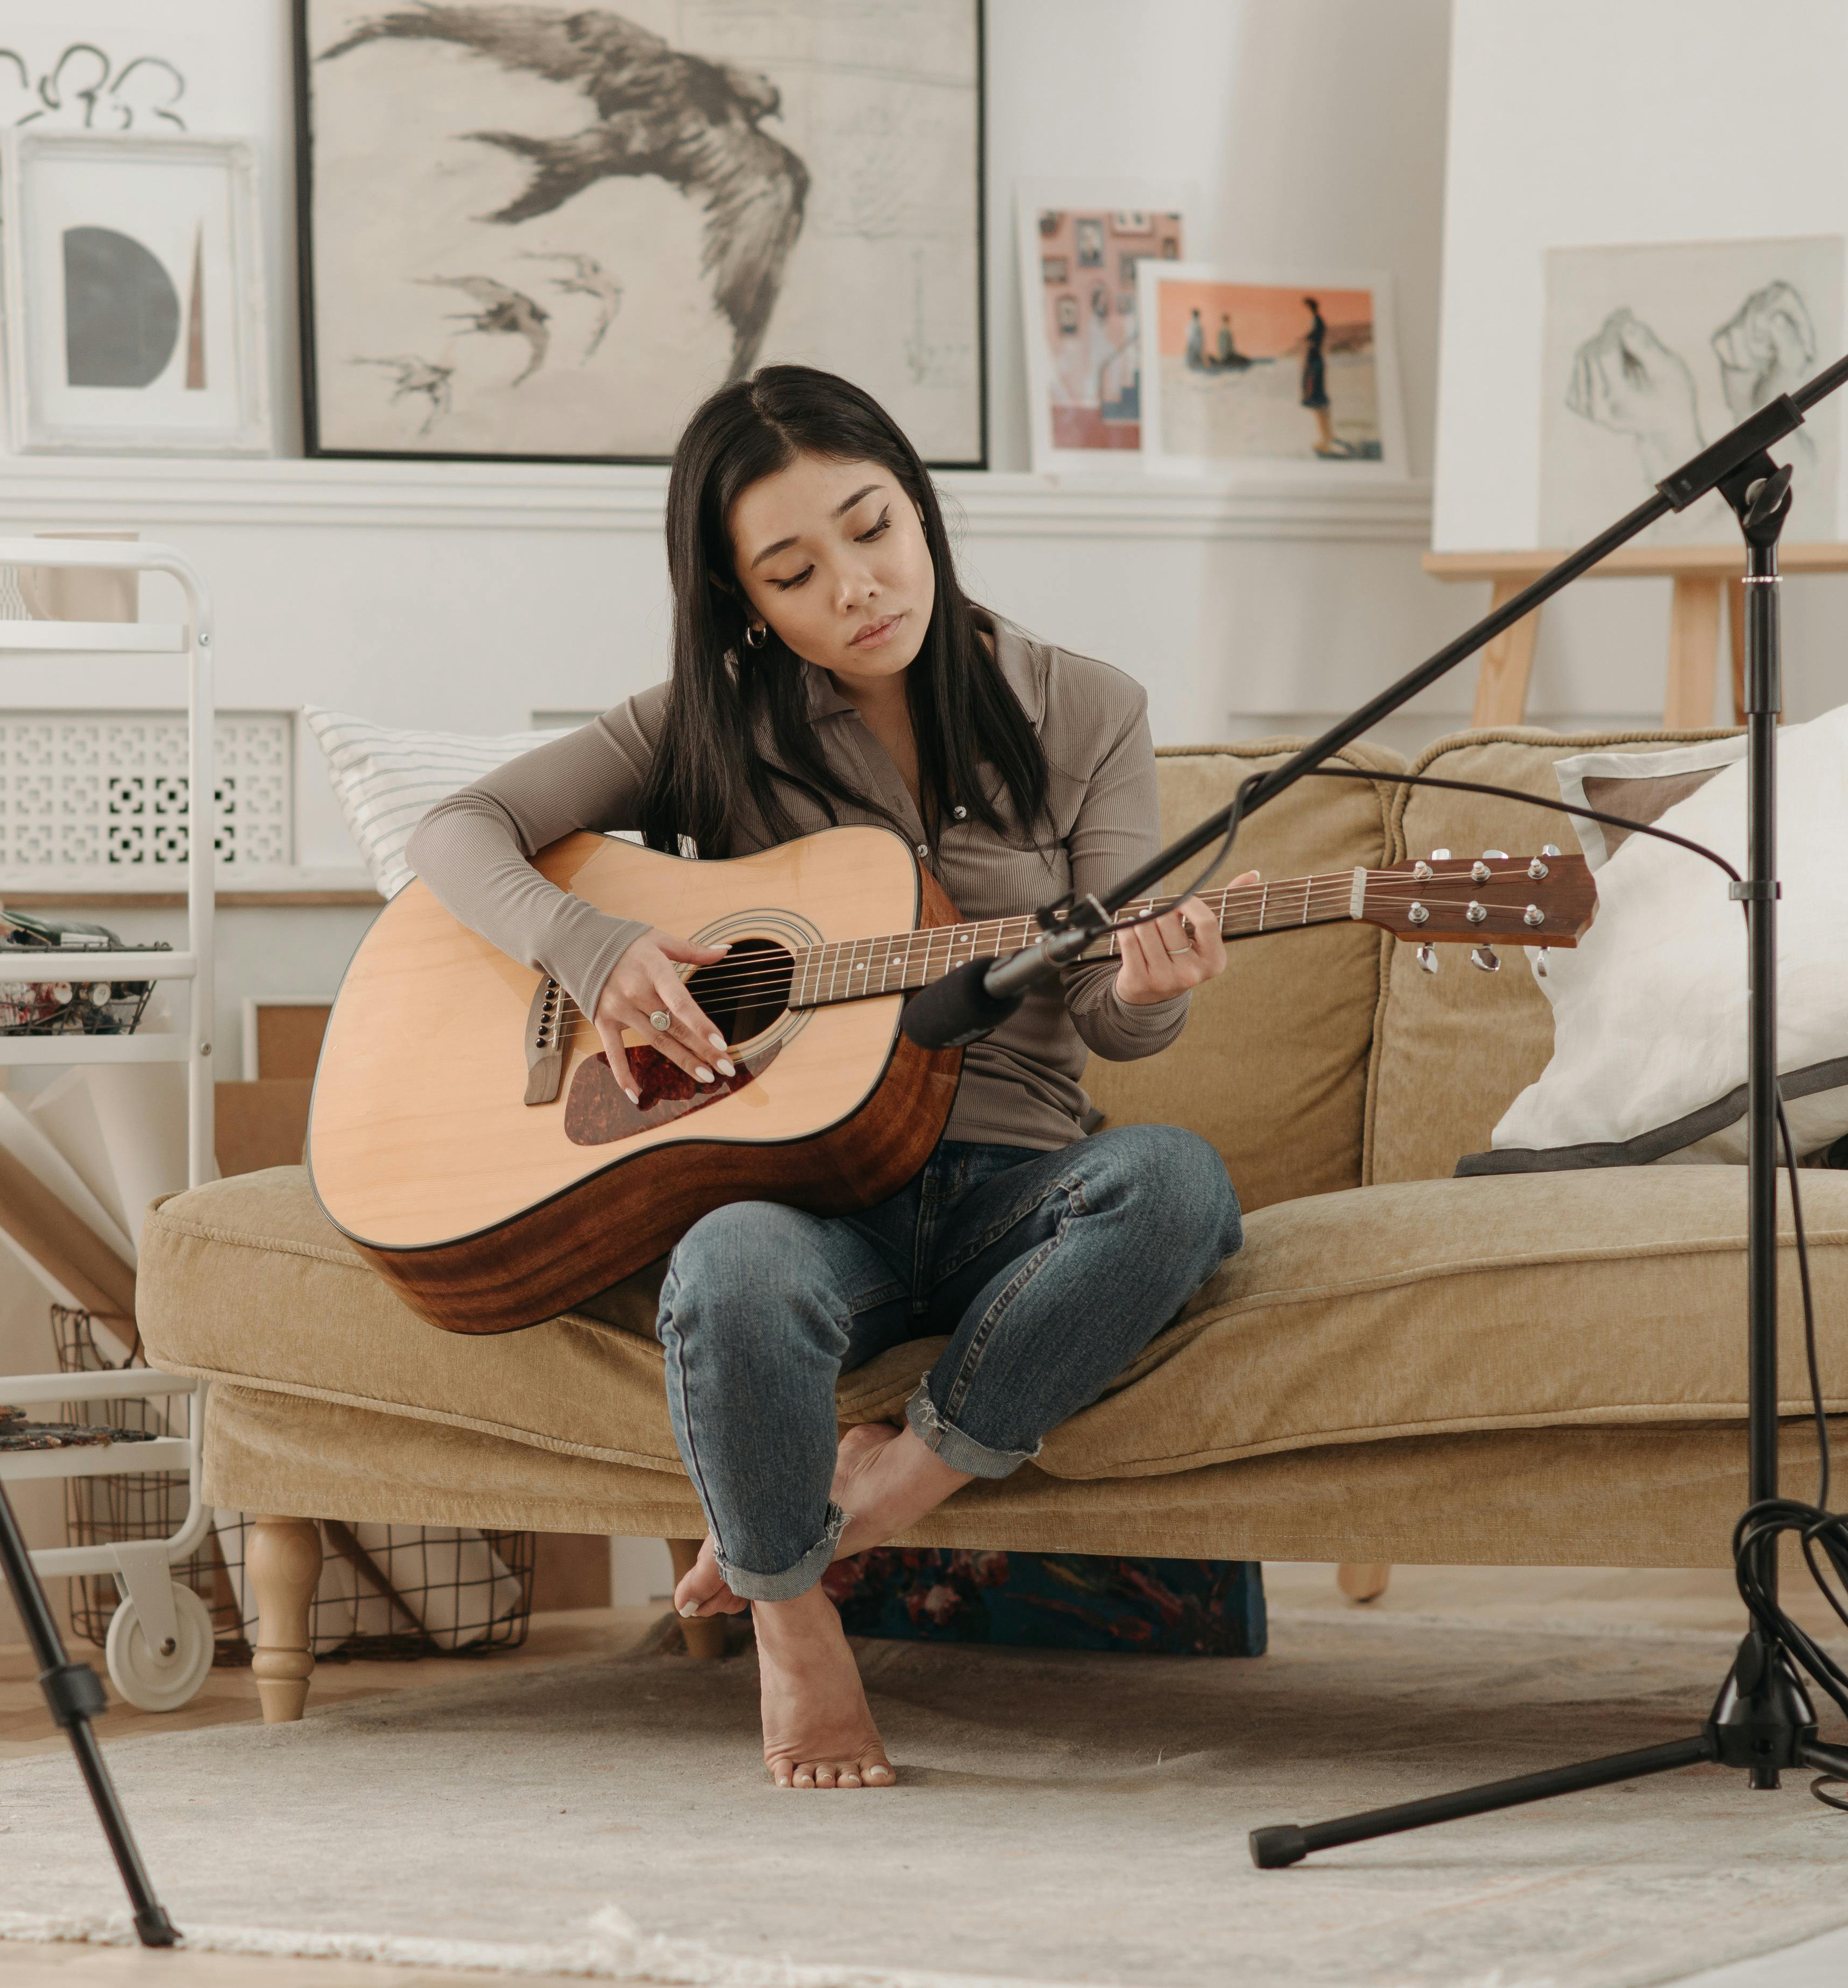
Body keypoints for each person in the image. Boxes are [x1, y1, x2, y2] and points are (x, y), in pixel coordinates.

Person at [405, 368, 1248, 1790]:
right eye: (794, 572)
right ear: (746, 601)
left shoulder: (1086, 709)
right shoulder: (709, 723)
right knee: (727, 1265)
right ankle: (792, 1628)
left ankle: (871, 1497)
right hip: (802, 1192)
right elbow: (460, 829)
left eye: (872, 528)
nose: (856, 588)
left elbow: (1112, 1023)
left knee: (1175, 1179)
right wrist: (594, 946)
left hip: (1010, 1182)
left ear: (918, 505)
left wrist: (1149, 989)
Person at [1299, 293, 1346, 456]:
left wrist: (1305, 360)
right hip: (1316, 362)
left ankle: (1325, 441)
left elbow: (1311, 344)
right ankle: (1328, 436)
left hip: (1314, 363)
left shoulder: (1317, 322)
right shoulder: (1318, 321)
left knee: (1317, 401)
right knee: (1321, 400)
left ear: (1309, 308)